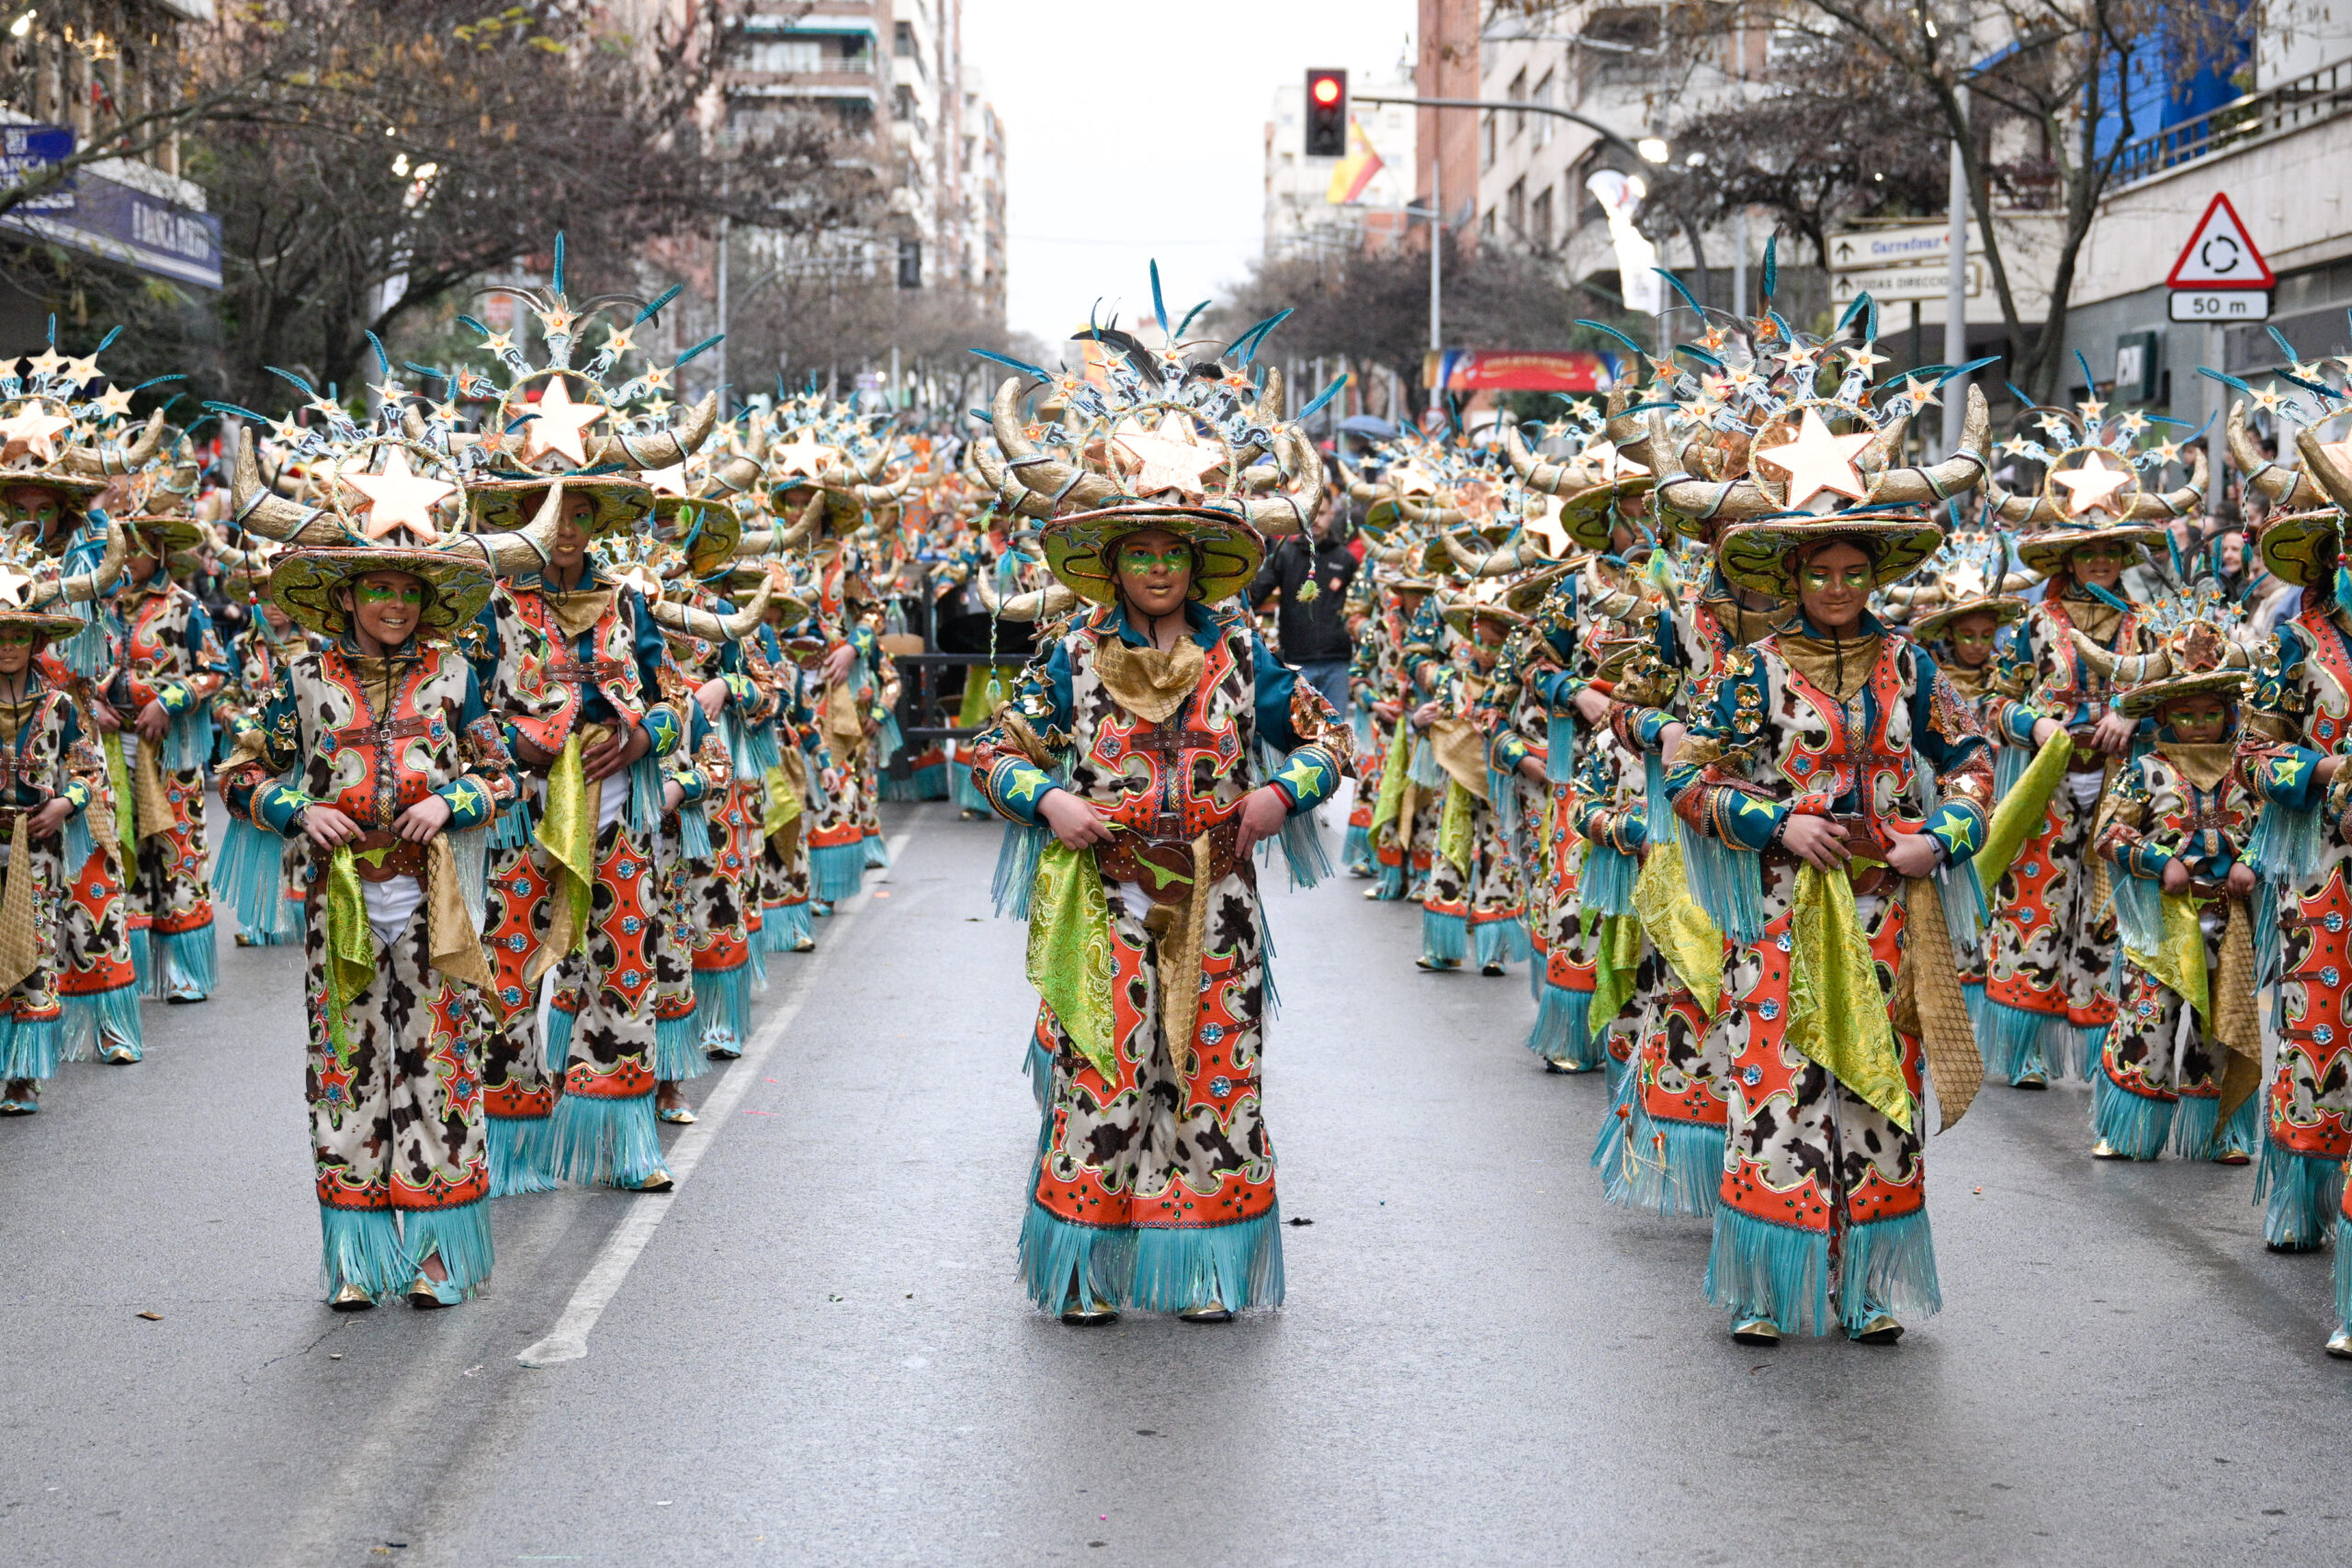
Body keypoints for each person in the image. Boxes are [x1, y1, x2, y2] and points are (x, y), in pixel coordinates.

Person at [966, 335, 1347, 1325]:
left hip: (1217, 902)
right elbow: (992, 754)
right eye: (1136, 550)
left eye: (1171, 551)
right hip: (1108, 897)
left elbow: (1327, 742)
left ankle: (1206, 1267)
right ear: (1112, 561)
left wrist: (1280, 796)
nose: (1155, 567)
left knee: (1214, 1075)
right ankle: (1086, 1271)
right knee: (1105, 1071)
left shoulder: (1243, 654)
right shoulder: (1073, 659)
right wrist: (1050, 802)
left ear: (1196, 559)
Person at [1668, 519, 1995, 1345]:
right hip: (1782, 911)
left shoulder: (1910, 664)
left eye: (1855, 571)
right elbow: (1688, 776)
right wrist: (1777, 823)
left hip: (1887, 911)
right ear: (1794, 577)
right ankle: (1765, 1287)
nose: (1841, 588)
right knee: (1780, 1083)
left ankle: (1868, 1287)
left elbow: (1972, 762)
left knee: (1879, 1087)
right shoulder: (1754, 669)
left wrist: (1941, 837)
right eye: (1822, 573)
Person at [1249, 486, 1357, 724]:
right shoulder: (1285, 554)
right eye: (1312, 514)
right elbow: (1255, 592)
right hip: (1298, 661)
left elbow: (1359, 605)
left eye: (1323, 513)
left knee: (1337, 731)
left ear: (1332, 515)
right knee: (1302, 732)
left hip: (1336, 661)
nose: (1317, 520)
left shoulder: (1345, 559)